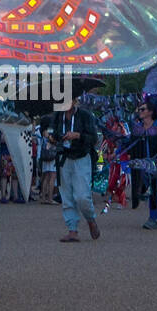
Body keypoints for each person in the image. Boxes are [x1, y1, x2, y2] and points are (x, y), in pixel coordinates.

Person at [114, 97, 157, 230]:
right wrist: (117, 152)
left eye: (142, 109)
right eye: (139, 109)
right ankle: (155, 217)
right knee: (148, 188)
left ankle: (155, 218)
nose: (139, 111)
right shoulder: (138, 129)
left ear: (150, 112)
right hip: (143, 164)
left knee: (153, 188)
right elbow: (128, 143)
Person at [55, 94, 100, 241]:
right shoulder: (57, 115)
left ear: (74, 101)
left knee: (82, 196)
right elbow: (53, 132)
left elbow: (94, 138)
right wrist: (52, 136)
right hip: (64, 157)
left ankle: (90, 219)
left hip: (81, 157)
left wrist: (78, 135)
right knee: (66, 196)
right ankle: (72, 230)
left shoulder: (85, 115)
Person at [38, 123, 58, 203]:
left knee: (46, 176)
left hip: (45, 155)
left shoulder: (43, 130)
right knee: (52, 176)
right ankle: (50, 198)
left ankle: (43, 197)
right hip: (51, 154)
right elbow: (52, 139)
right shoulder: (51, 129)